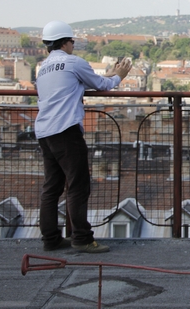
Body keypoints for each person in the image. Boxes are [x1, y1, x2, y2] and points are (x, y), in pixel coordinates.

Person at [35, 20, 132, 253]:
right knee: (78, 185)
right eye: (72, 42)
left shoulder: (42, 68)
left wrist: (108, 74)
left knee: (52, 187)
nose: (73, 45)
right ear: (66, 42)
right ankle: (82, 238)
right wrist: (119, 76)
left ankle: (51, 239)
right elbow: (103, 84)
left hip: (44, 131)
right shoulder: (73, 62)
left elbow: (75, 84)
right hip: (66, 130)